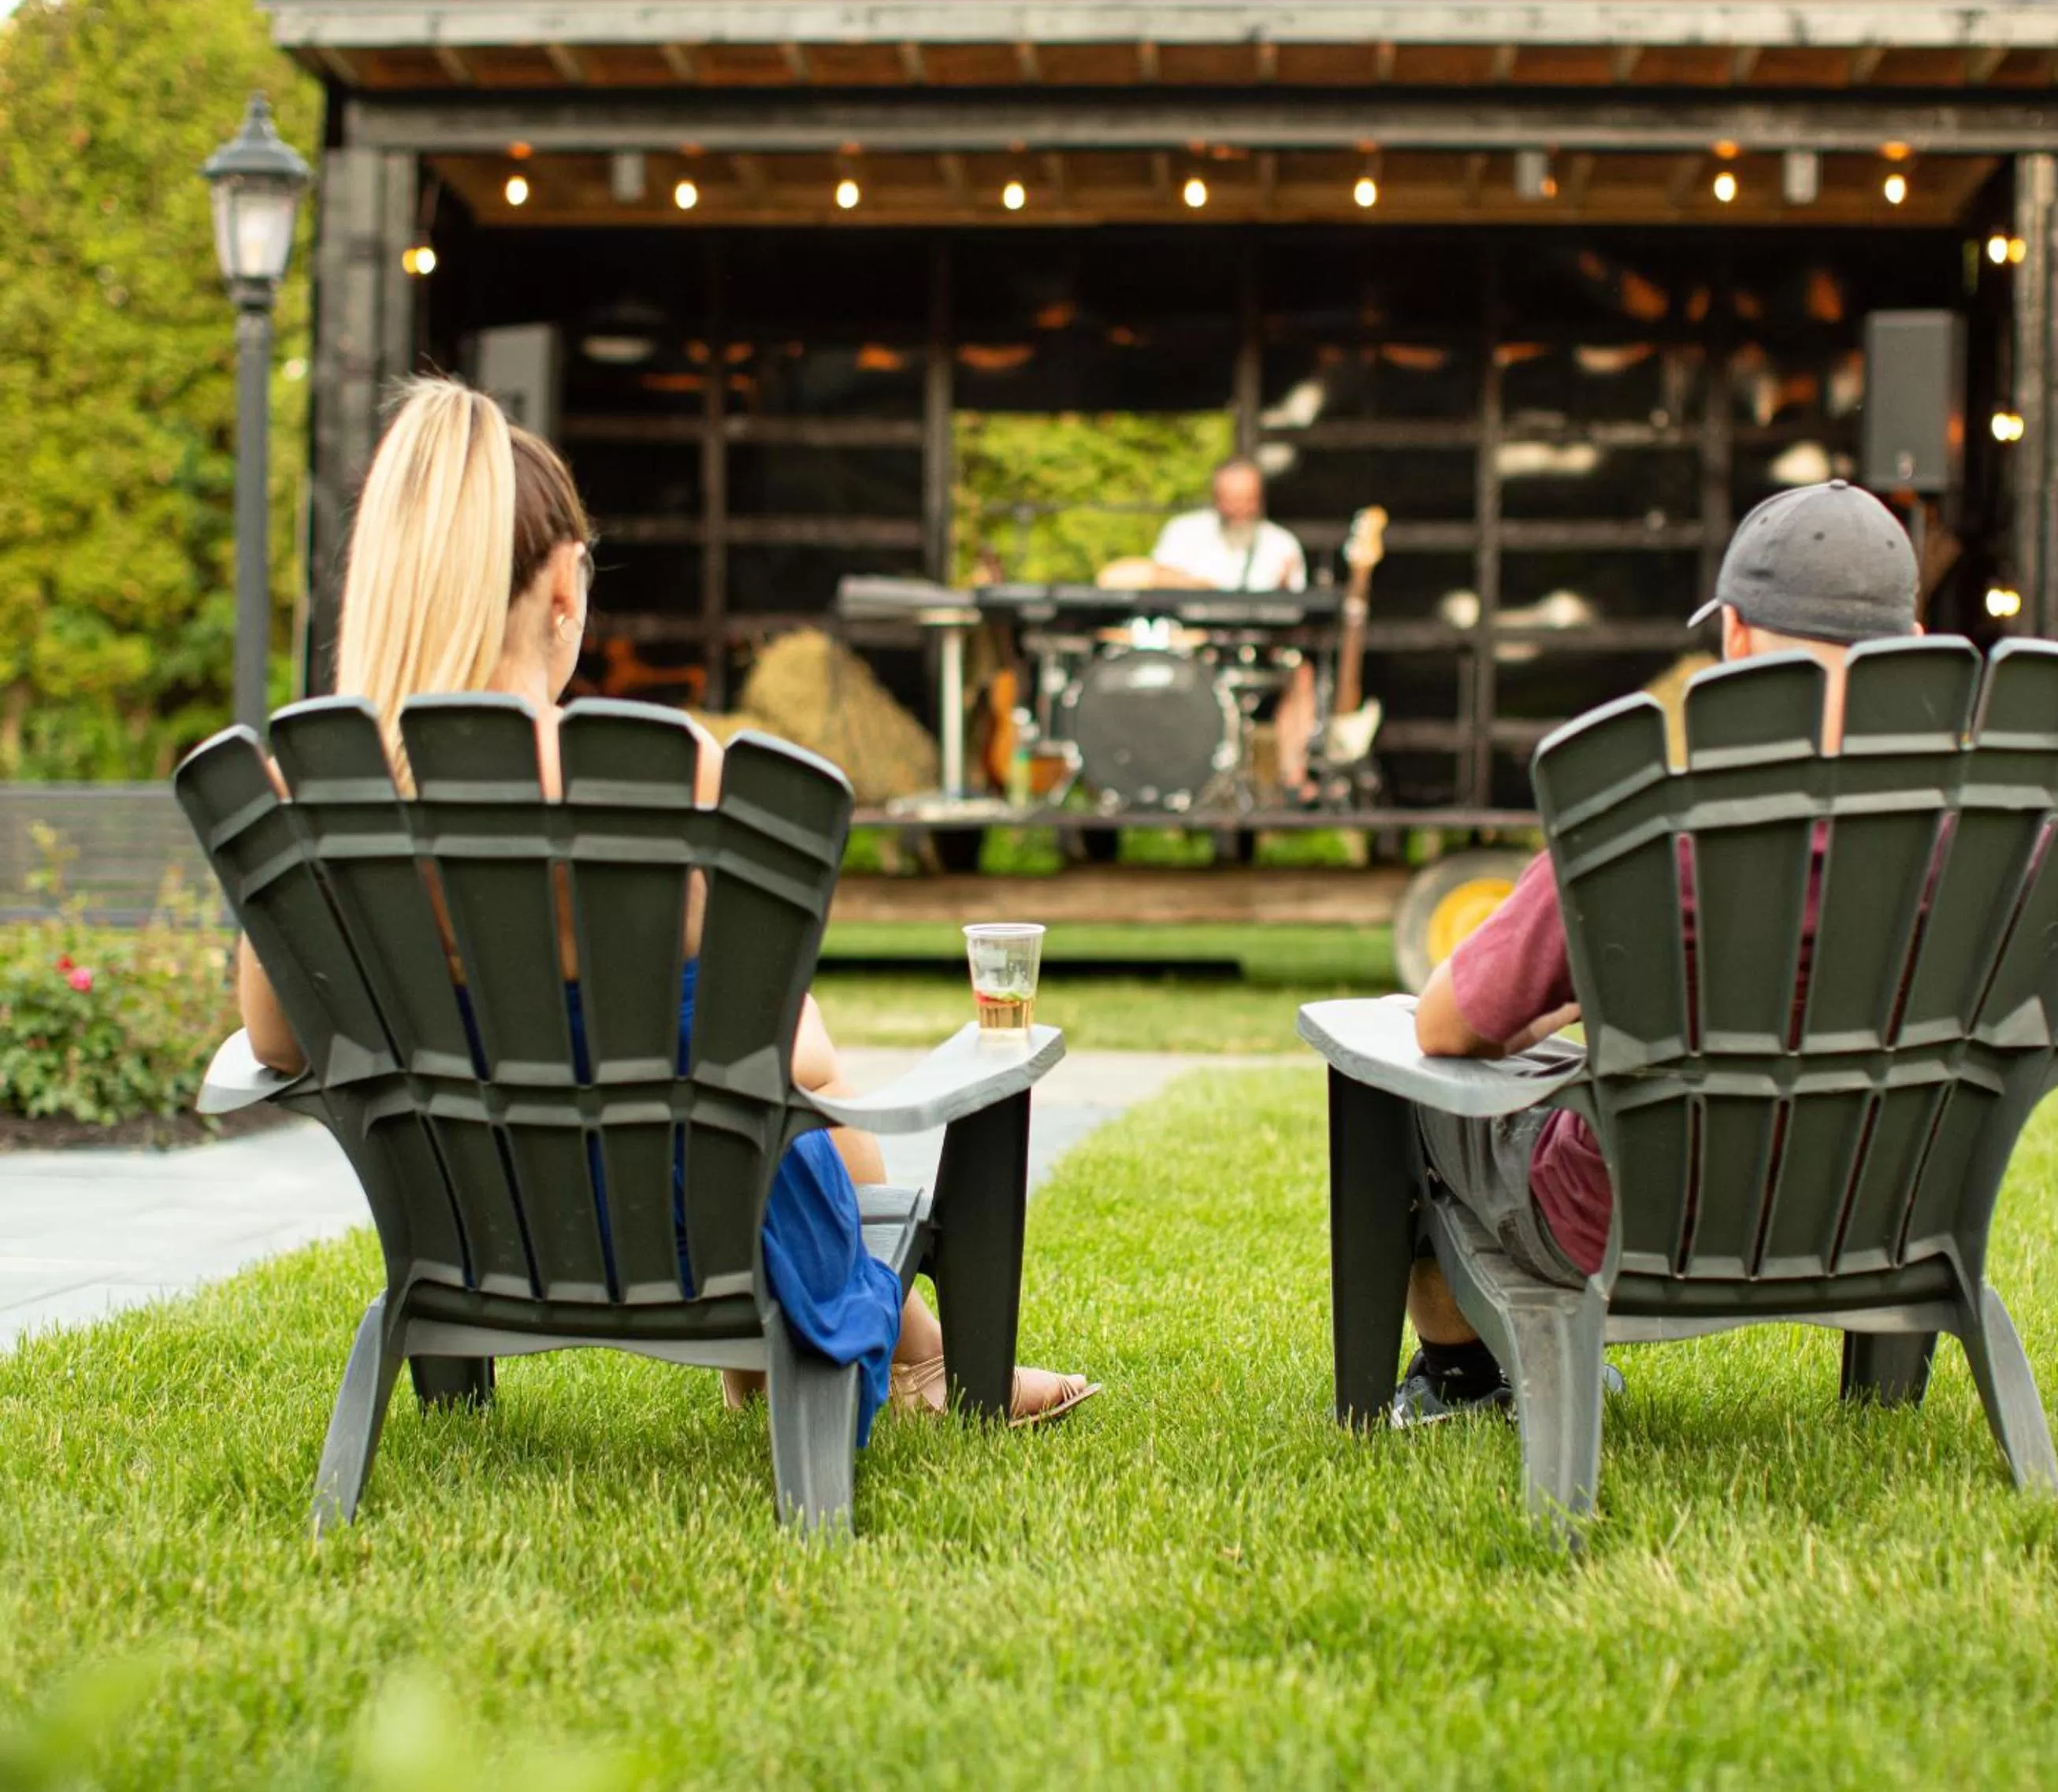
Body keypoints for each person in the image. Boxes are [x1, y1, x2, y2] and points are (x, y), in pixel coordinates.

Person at [235, 377, 1095, 1438]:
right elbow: (799, 1060)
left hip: (472, 1230)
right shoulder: (651, 776)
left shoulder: (309, 798)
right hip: (702, 1240)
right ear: (562, 588)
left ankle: (918, 1355)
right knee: (806, 1110)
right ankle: (917, 1356)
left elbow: (274, 1045)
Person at [1397, 479, 2058, 1427]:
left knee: (1399, 1091)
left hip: (1628, 1226)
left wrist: (1563, 1008)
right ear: (1905, 644)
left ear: (1734, 635)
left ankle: (1455, 1379)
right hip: (1891, 1211)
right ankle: (1885, 1385)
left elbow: (1446, 1027)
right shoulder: (1997, 835)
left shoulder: (1642, 825)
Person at [1102, 456, 1319, 801]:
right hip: (1188, 650)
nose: (1240, 509)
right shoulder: (1184, 532)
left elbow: (1296, 617)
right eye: (1232, 499)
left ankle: (1292, 780)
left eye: (1248, 499)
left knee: (1301, 673)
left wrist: (1281, 600)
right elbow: (1148, 578)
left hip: (1254, 654)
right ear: (1216, 497)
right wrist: (1201, 587)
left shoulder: (1281, 545)